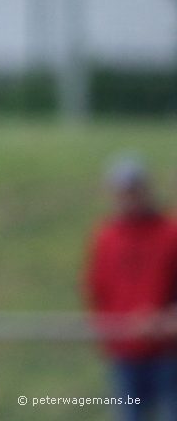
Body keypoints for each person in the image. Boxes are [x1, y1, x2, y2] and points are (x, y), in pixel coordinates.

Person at [84, 157, 177, 421]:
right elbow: (97, 287)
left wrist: (167, 318)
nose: (129, 198)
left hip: (168, 349)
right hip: (125, 349)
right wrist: (110, 330)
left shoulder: (169, 232)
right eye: (123, 192)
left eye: (134, 190)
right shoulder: (106, 236)